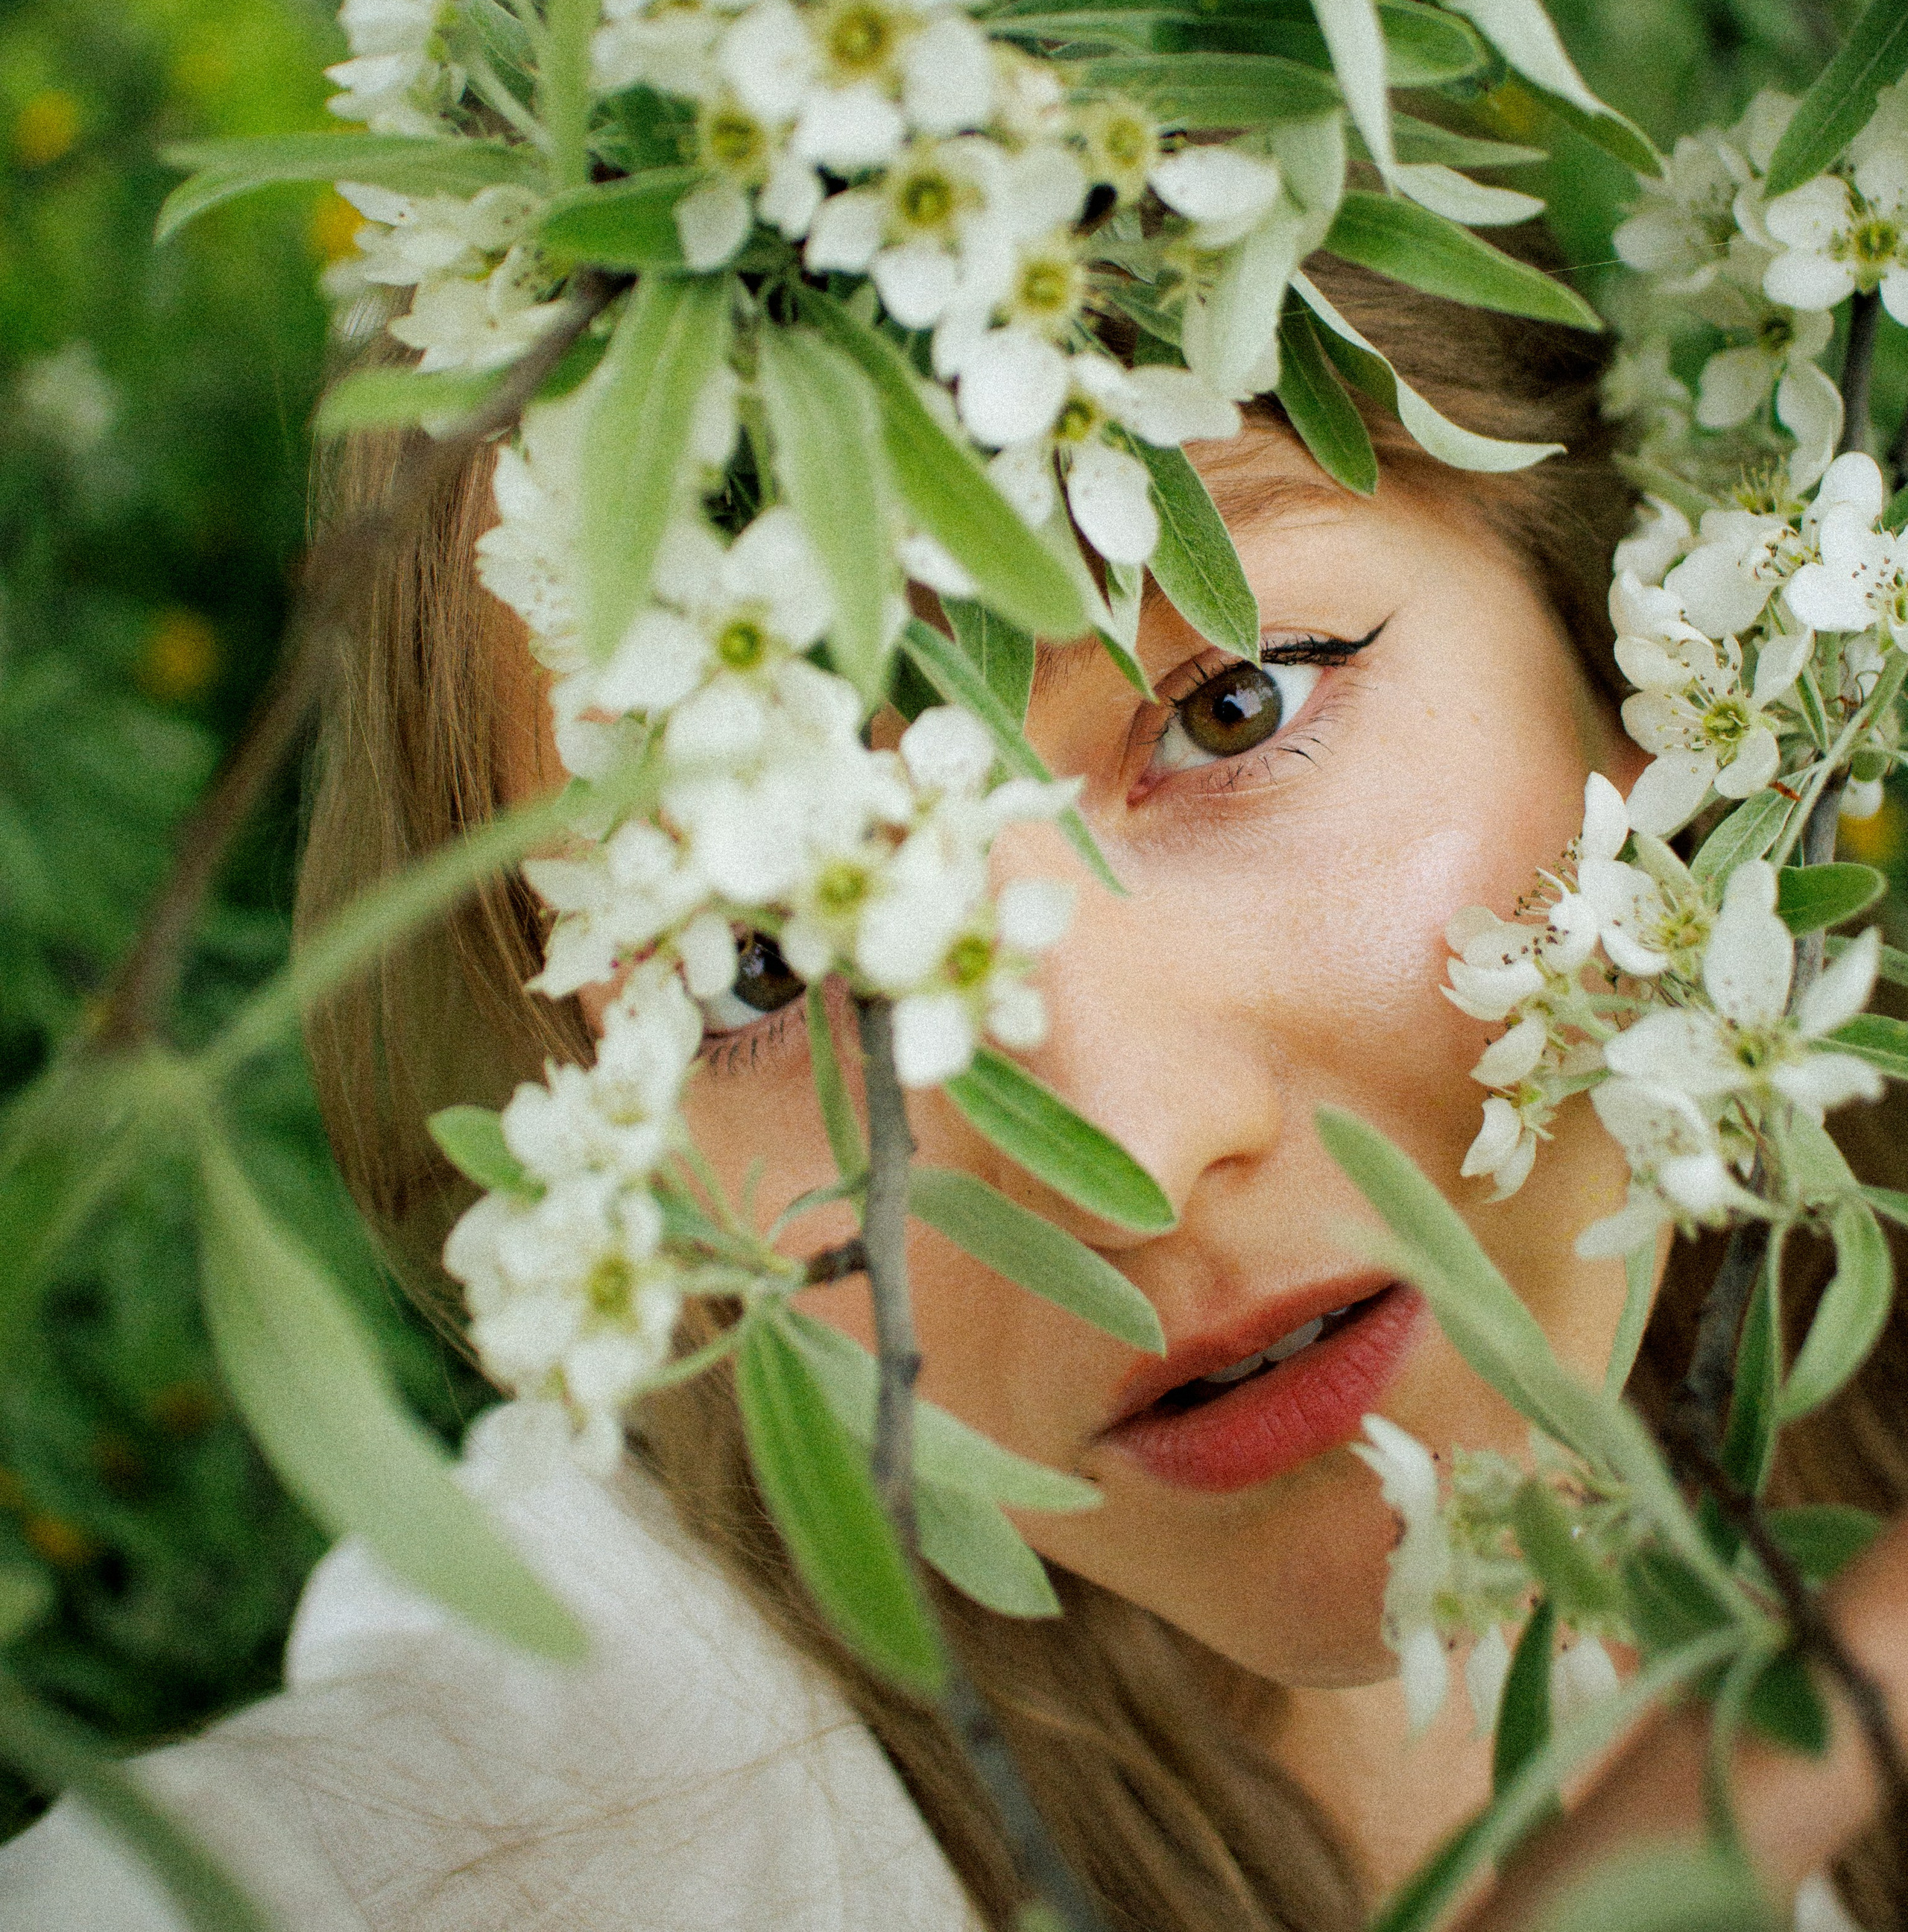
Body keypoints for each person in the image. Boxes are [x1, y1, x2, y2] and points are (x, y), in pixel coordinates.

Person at [4, 259, 1907, 1932]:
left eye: (1232, 706)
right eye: (753, 969)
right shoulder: (537, 1842)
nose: (1134, 1163)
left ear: (1624, 629)